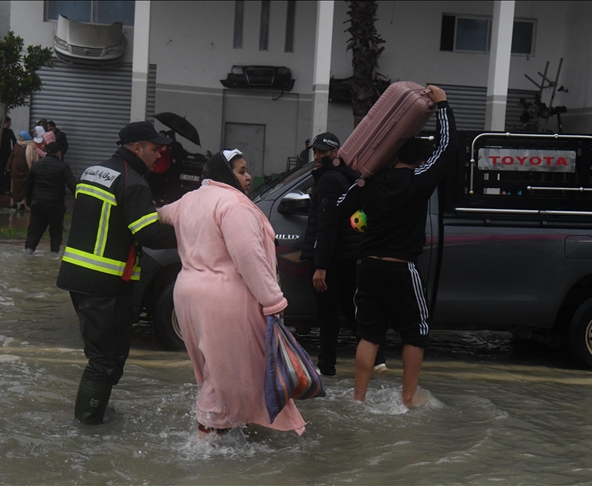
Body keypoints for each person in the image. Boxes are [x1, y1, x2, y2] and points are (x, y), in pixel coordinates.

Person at [158, 149, 306, 437]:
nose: (248, 177)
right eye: (241, 171)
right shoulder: (234, 205)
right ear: (225, 174)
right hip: (223, 299)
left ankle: (224, 432)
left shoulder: (190, 200)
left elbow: (160, 214)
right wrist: (273, 301)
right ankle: (206, 443)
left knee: (217, 369)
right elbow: (249, 257)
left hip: (187, 295)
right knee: (226, 373)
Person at [336, 86, 457, 408]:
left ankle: (358, 399)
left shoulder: (371, 182)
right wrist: (443, 105)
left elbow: (341, 207)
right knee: (415, 332)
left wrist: (362, 203)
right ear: (420, 161)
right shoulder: (419, 182)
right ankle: (408, 397)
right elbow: (447, 148)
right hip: (401, 268)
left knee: (369, 334)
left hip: (368, 267)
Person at [56, 121, 178, 425]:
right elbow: (148, 233)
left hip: (78, 275)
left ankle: (96, 411)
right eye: (154, 148)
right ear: (137, 148)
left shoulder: (92, 171)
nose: (159, 154)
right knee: (105, 359)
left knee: (102, 353)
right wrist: (191, 232)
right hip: (105, 282)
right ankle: (88, 422)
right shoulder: (132, 182)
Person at [300, 132, 387, 377]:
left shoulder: (328, 181)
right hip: (347, 256)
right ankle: (378, 360)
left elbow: (326, 226)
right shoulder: (347, 177)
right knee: (351, 310)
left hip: (330, 260)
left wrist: (320, 266)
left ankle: (326, 367)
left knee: (328, 316)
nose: (317, 156)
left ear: (336, 152)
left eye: (322, 152)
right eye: (315, 151)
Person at [24, 142, 77, 254]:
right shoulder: (63, 166)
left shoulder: (36, 165)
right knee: (56, 232)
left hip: (37, 203)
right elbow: (73, 185)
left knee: (34, 231)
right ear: (58, 153)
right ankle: (54, 256)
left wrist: (29, 202)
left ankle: (27, 254)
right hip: (55, 204)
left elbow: (27, 186)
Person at [7, 130, 33, 210]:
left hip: (26, 169)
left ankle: (22, 203)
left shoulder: (31, 146)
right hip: (16, 170)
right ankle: (15, 202)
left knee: (24, 187)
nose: (20, 138)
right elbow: (12, 156)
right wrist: (8, 166)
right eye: (20, 137)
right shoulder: (17, 145)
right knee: (15, 187)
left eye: (21, 137)